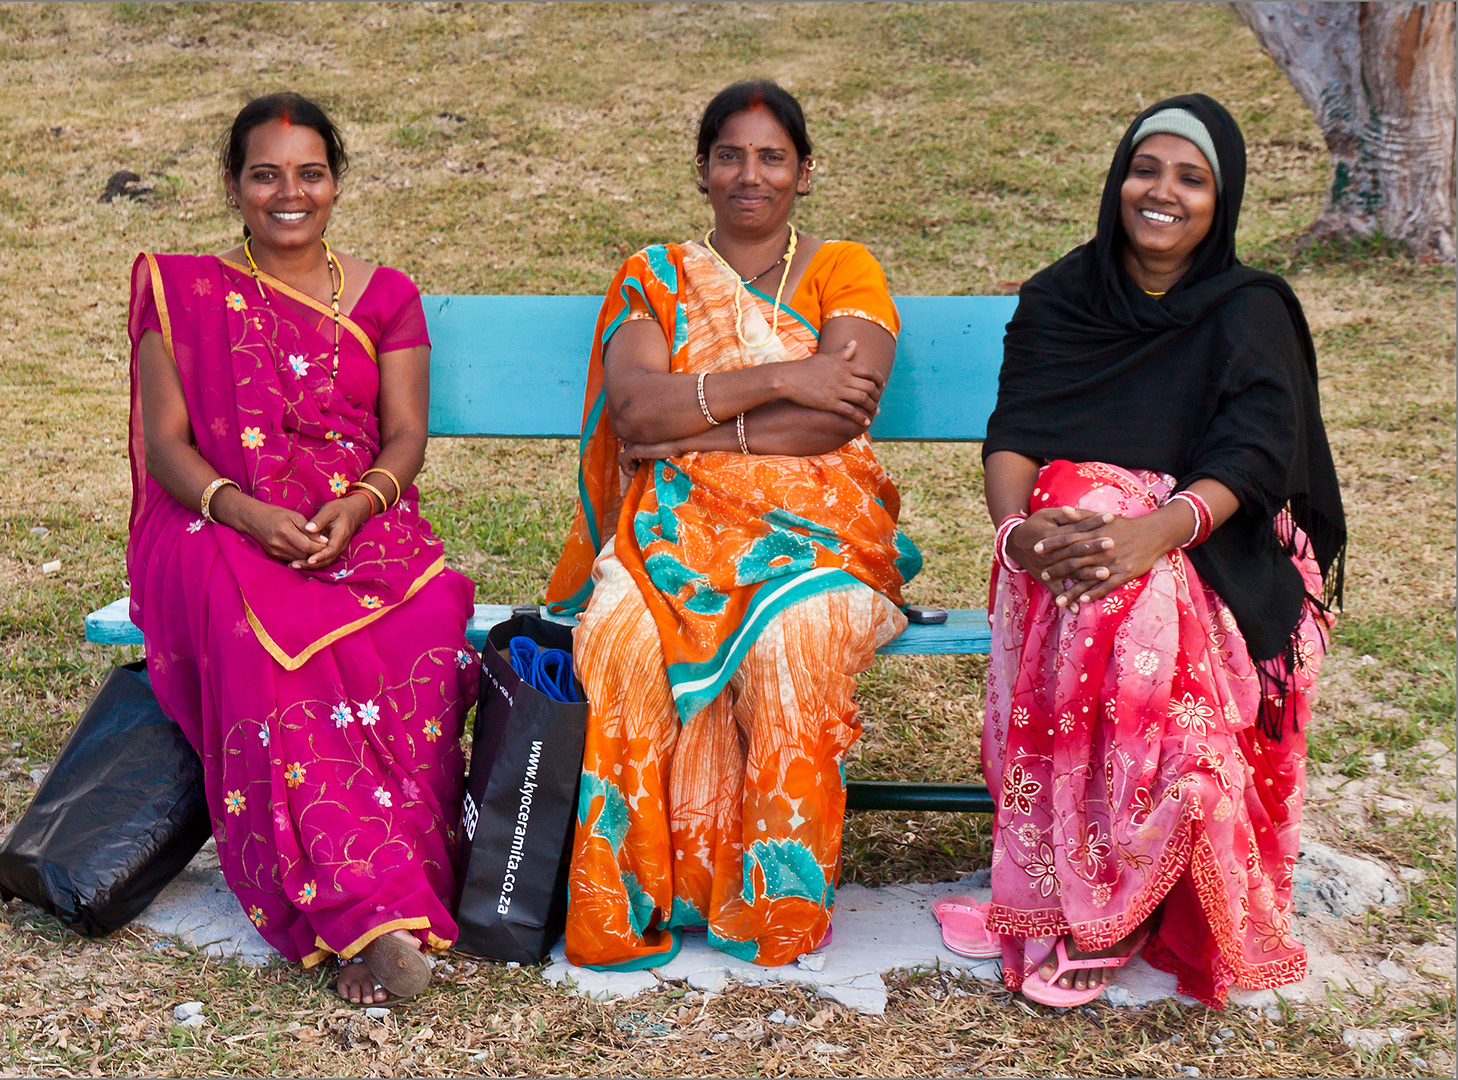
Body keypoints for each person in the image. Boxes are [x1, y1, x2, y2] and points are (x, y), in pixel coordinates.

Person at [546, 80, 922, 970]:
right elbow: (635, 409)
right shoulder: (655, 275)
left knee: (795, 638)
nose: (749, 175)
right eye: (730, 155)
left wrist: (697, 429)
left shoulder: (843, 268)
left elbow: (838, 415)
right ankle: (637, 899)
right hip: (672, 538)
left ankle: (772, 909)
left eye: (771, 157)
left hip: (820, 538)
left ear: (802, 171)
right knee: (621, 636)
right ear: (704, 168)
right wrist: (781, 380)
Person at [980, 94, 1345, 1008]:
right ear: (1117, 181)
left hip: (1215, 552)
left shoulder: (1247, 308)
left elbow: (1256, 455)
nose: (1162, 193)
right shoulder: (1062, 297)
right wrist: (1018, 536)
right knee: (1083, 520)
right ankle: (1114, 880)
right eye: (1147, 170)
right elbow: (1013, 435)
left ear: (1220, 202)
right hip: (1058, 560)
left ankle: (1116, 885)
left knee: (1117, 577)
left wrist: (1155, 533)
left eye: (1191, 178)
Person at [126, 93, 479, 1005]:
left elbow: (405, 439)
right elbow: (166, 445)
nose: (290, 192)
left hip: (355, 516)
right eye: (265, 174)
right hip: (213, 516)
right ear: (235, 185)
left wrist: (359, 507)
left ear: (336, 181)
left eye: (309, 173)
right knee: (257, 629)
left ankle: (401, 875)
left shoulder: (388, 295)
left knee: (430, 613)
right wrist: (243, 512)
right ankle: (361, 915)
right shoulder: (185, 291)